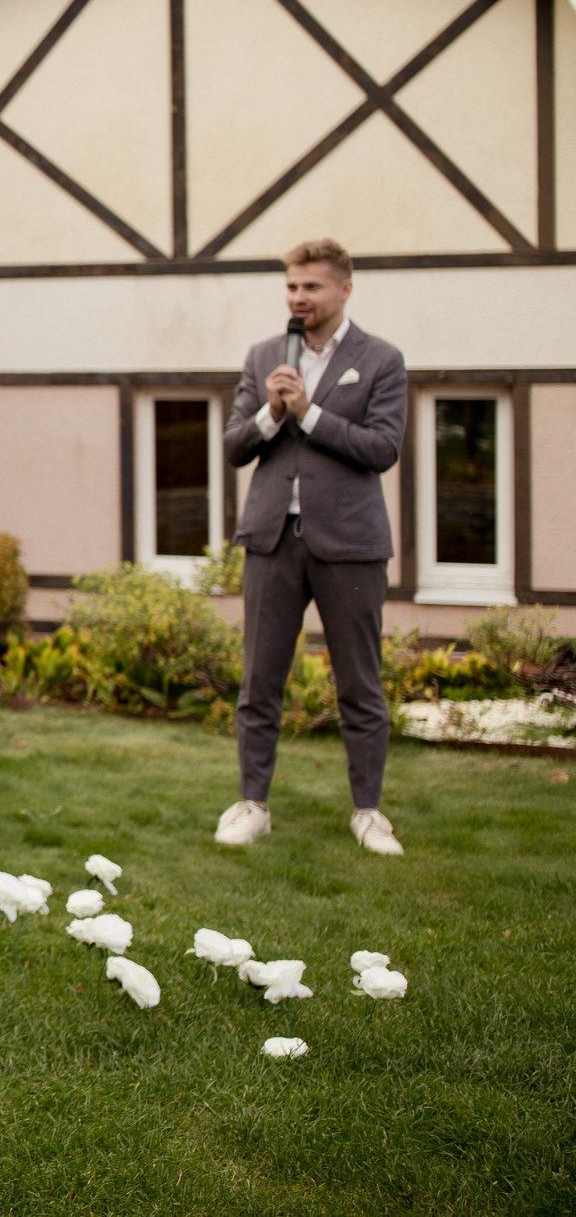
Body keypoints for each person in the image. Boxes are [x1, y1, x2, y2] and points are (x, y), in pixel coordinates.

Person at [217, 238, 408, 856]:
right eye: (292, 288)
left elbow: (382, 449)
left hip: (350, 545)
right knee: (259, 681)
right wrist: (273, 412)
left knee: (359, 685)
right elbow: (234, 445)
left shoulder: (381, 359)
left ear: (343, 289)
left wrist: (311, 413)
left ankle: (369, 811)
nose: (299, 299)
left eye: (312, 288)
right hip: (272, 540)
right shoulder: (265, 356)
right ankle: (252, 803)